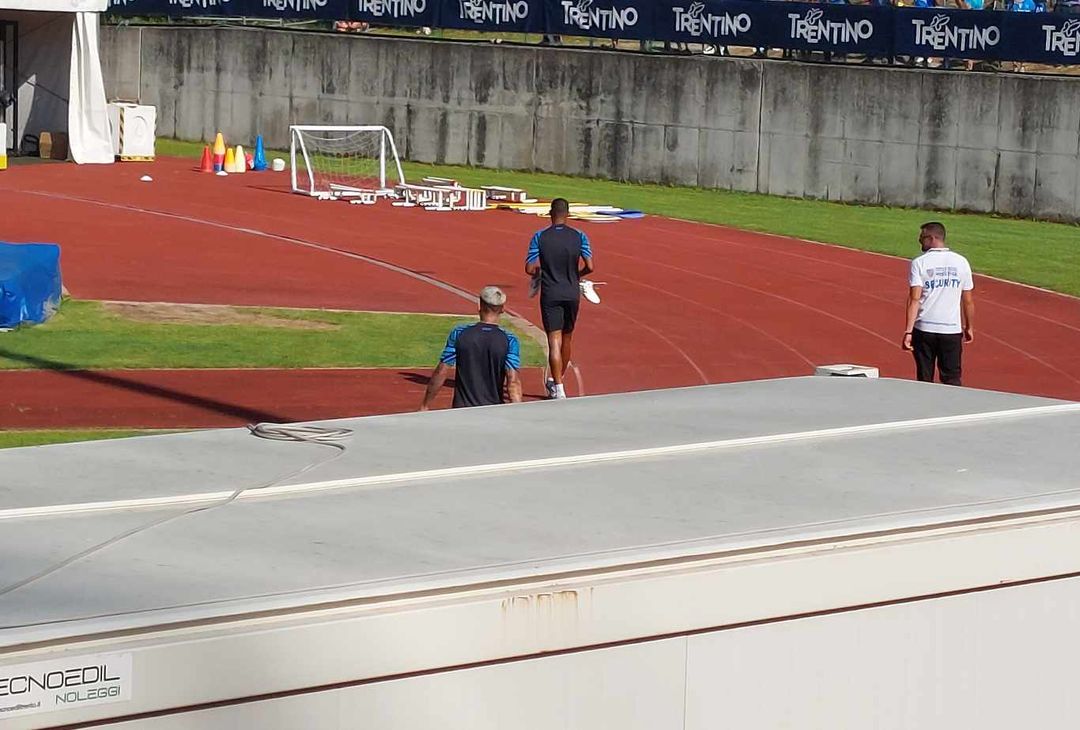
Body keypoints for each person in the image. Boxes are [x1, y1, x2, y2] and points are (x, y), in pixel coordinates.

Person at [525, 198, 594, 400]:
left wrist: (540, 271)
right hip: (572, 292)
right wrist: (576, 275)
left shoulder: (540, 237)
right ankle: (559, 378)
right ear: (568, 214)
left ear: (550, 214)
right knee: (567, 337)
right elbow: (590, 266)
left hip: (551, 292)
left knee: (553, 340)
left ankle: (559, 387)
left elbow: (529, 268)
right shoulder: (580, 236)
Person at [419, 286, 522, 410]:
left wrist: (425, 405)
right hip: (494, 411)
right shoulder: (510, 339)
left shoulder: (459, 333)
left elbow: (442, 371)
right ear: (502, 309)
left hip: (462, 410)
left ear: (479, 306)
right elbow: (513, 381)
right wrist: (518, 412)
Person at [902, 222, 975, 386]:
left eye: (922, 237)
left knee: (924, 378)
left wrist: (908, 331)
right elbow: (968, 300)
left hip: (924, 329)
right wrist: (969, 326)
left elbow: (915, 298)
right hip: (951, 330)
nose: (919, 240)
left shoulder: (920, 263)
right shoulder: (961, 262)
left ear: (932, 238)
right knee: (952, 378)